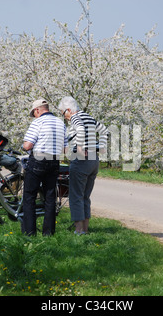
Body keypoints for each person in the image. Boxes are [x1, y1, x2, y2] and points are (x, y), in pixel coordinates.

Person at [58, 96, 108, 235]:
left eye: (63, 113)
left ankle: (79, 230)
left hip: (82, 161)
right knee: (85, 196)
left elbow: (79, 128)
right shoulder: (88, 117)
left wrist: (80, 150)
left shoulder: (75, 117)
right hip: (94, 160)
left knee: (76, 196)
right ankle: (85, 229)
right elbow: (104, 130)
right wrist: (102, 147)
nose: (65, 117)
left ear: (69, 110)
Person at [22, 99, 67, 236]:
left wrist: (24, 146)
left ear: (37, 110)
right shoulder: (61, 123)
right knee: (50, 197)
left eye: (34, 113)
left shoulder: (38, 122)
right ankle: (48, 233)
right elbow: (65, 149)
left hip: (38, 160)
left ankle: (29, 233)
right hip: (54, 161)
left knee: (29, 196)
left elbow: (27, 146)